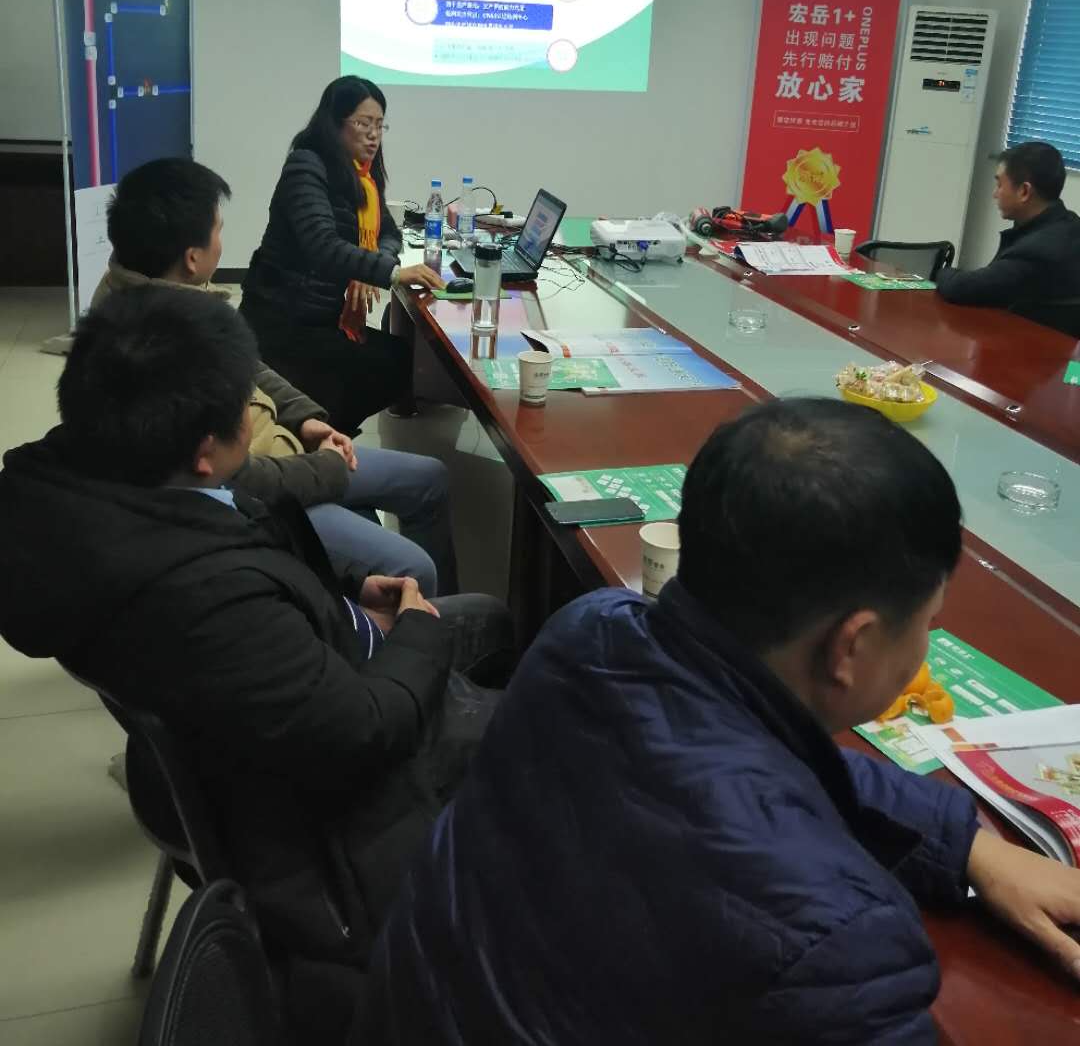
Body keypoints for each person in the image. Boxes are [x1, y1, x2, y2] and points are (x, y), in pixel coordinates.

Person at [368, 399, 1080, 1045]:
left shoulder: (593, 630)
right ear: (852, 646)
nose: (925, 643)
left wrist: (969, 848)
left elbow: (760, 759)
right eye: (926, 623)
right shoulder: (838, 941)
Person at [0, 287, 513, 1040]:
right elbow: (365, 729)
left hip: (289, 685)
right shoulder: (200, 598)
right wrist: (417, 632)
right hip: (336, 792)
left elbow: (259, 565)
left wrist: (346, 590)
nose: (255, 415)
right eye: (245, 407)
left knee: (495, 620)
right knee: (556, 718)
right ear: (208, 453)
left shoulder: (106, 482)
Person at [95, 156, 457, 594]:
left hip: (288, 452)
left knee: (430, 478)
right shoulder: (155, 350)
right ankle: (420, 628)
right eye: (219, 230)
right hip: (259, 500)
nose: (222, 242)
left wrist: (307, 419)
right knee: (414, 567)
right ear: (192, 258)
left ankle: (449, 624)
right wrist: (325, 468)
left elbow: (250, 365)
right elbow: (233, 478)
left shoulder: (157, 291)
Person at [240, 76, 443, 432]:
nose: (374, 135)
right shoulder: (306, 166)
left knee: (400, 359)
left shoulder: (362, 175)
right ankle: (323, 434)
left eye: (380, 125)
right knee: (392, 365)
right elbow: (323, 247)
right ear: (334, 123)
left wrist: (371, 263)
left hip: (321, 315)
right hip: (284, 322)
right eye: (363, 124)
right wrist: (391, 273)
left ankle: (330, 430)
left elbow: (389, 233)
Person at [936, 141, 1080, 335]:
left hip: (1025, 349)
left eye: (999, 184)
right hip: (1059, 348)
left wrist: (941, 272)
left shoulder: (1036, 251)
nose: (995, 194)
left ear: (1024, 191)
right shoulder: (1071, 225)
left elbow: (961, 289)